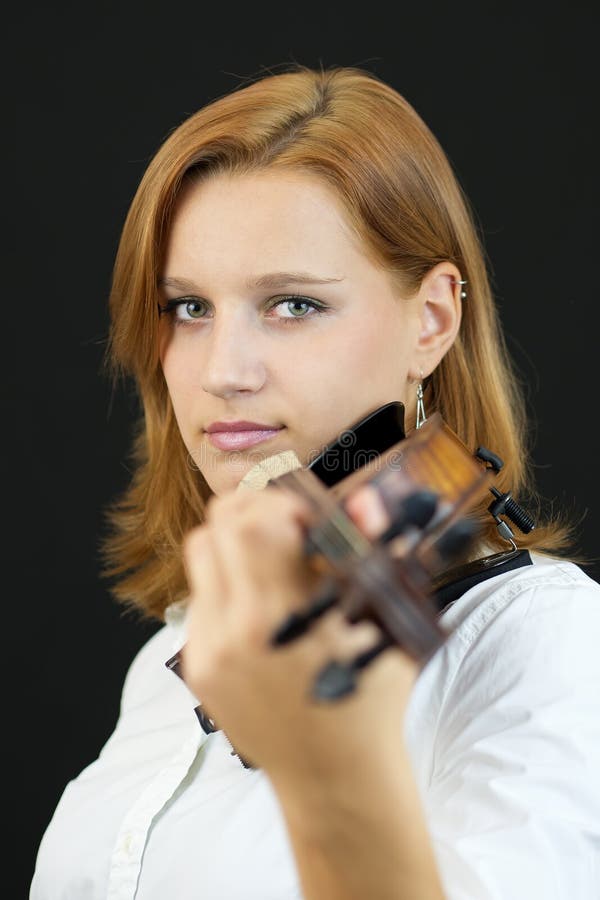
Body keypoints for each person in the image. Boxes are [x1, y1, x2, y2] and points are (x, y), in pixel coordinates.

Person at [30, 64, 600, 900]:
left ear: (432, 321)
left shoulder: (551, 646)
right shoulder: (173, 657)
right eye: (189, 307)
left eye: (293, 304)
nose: (223, 372)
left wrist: (330, 763)